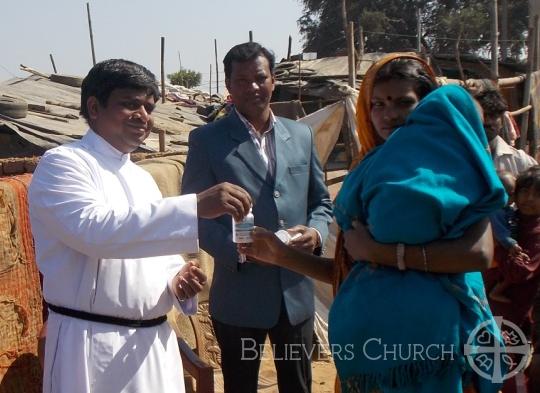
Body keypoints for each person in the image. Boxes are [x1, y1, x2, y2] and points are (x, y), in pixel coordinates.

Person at [241, 53, 507, 392]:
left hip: (436, 353)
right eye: (377, 104)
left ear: (428, 106)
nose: (388, 114)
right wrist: (281, 255)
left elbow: (479, 254)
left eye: (403, 102)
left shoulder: (449, 168)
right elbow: (351, 269)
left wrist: (386, 254)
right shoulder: (367, 174)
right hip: (373, 355)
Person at [28, 59, 252, 393]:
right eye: (130, 104)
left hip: (154, 344)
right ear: (94, 106)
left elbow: (151, 249)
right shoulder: (63, 164)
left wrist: (176, 279)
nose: (143, 116)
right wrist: (193, 207)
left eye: (148, 107)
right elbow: (95, 232)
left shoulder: (142, 177)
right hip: (91, 345)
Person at [181, 42, 333, 393]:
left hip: (296, 292)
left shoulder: (301, 135)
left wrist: (316, 232)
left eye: (260, 77)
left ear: (273, 80)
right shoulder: (207, 140)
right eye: (242, 80)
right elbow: (195, 214)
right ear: (229, 86)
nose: (253, 87)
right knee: (241, 386)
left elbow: (321, 202)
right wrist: (238, 250)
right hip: (239, 296)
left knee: (298, 385)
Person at [471, 87, 537, 176]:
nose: (488, 121)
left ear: (502, 120)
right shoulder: (460, 155)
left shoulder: (521, 161)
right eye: (484, 115)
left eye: (493, 115)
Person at [488, 171, 530, 303]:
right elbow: (500, 231)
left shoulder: (507, 209)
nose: (511, 197)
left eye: (512, 194)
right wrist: (511, 244)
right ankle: (495, 292)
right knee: (507, 274)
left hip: (507, 246)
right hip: (502, 248)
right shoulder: (495, 211)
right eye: (506, 193)